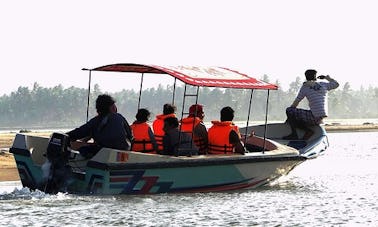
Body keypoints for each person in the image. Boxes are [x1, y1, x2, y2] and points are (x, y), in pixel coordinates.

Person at [67, 94, 133, 158]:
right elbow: (130, 135)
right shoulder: (120, 117)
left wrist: (64, 137)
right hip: (123, 154)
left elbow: (79, 132)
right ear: (111, 107)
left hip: (104, 153)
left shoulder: (95, 121)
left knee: (82, 149)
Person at [283, 69, 339, 140]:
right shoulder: (323, 85)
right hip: (321, 116)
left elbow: (296, 102)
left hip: (313, 116)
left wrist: (290, 118)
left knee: (289, 110)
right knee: (297, 115)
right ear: (315, 77)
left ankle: (299, 133)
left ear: (306, 77)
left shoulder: (305, 86)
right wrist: (326, 78)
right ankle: (306, 130)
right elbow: (336, 84)